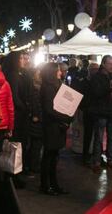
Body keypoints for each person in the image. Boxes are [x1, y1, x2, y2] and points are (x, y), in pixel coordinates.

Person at [40, 63, 73, 196]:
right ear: (52, 72)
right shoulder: (47, 87)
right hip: (51, 126)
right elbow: (49, 109)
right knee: (48, 156)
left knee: (54, 156)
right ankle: (45, 185)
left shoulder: (57, 84)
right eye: (58, 70)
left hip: (58, 126)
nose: (60, 72)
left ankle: (54, 184)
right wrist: (65, 118)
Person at [3, 51, 33, 180]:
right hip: (18, 114)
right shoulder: (13, 75)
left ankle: (17, 171)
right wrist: (25, 108)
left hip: (20, 113)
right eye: (20, 58)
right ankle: (14, 173)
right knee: (17, 143)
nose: (23, 60)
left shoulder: (20, 73)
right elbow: (14, 97)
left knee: (19, 143)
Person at [90, 55, 112, 173]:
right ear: (103, 64)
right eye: (109, 63)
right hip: (100, 111)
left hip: (110, 111)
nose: (111, 66)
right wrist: (109, 88)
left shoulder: (110, 76)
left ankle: (110, 159)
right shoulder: (97, 77)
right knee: (98, 137)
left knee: (111, 137)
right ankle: (97, 162)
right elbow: (96, 93)